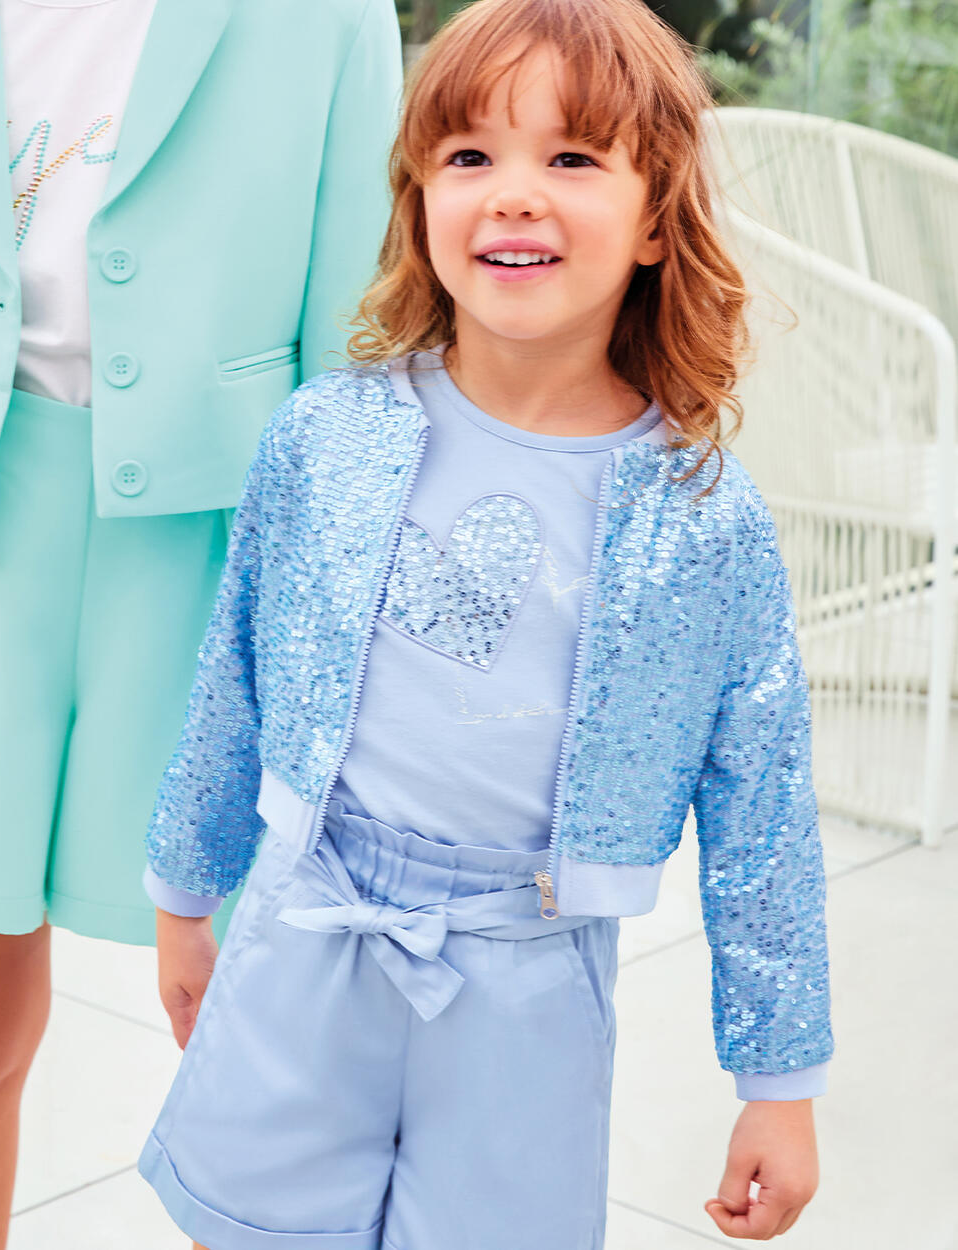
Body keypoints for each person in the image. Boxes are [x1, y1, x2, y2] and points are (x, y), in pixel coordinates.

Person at [139, 0, 833, 1246]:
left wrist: (776, 1083)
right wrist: (185, 892)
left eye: (569, 157)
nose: (513, 193)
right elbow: (233, 669)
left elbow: (761, 808)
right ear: (418, 201)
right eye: (469, 155)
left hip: (528, 970)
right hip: (307, 918)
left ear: (655, 218)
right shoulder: (325, 436)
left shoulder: (700, 516)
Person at [0, 1, 402, 1247]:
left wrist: (341, 674)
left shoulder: (324, 21)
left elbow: (355, 362)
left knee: (242, 1036)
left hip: (220, 569)